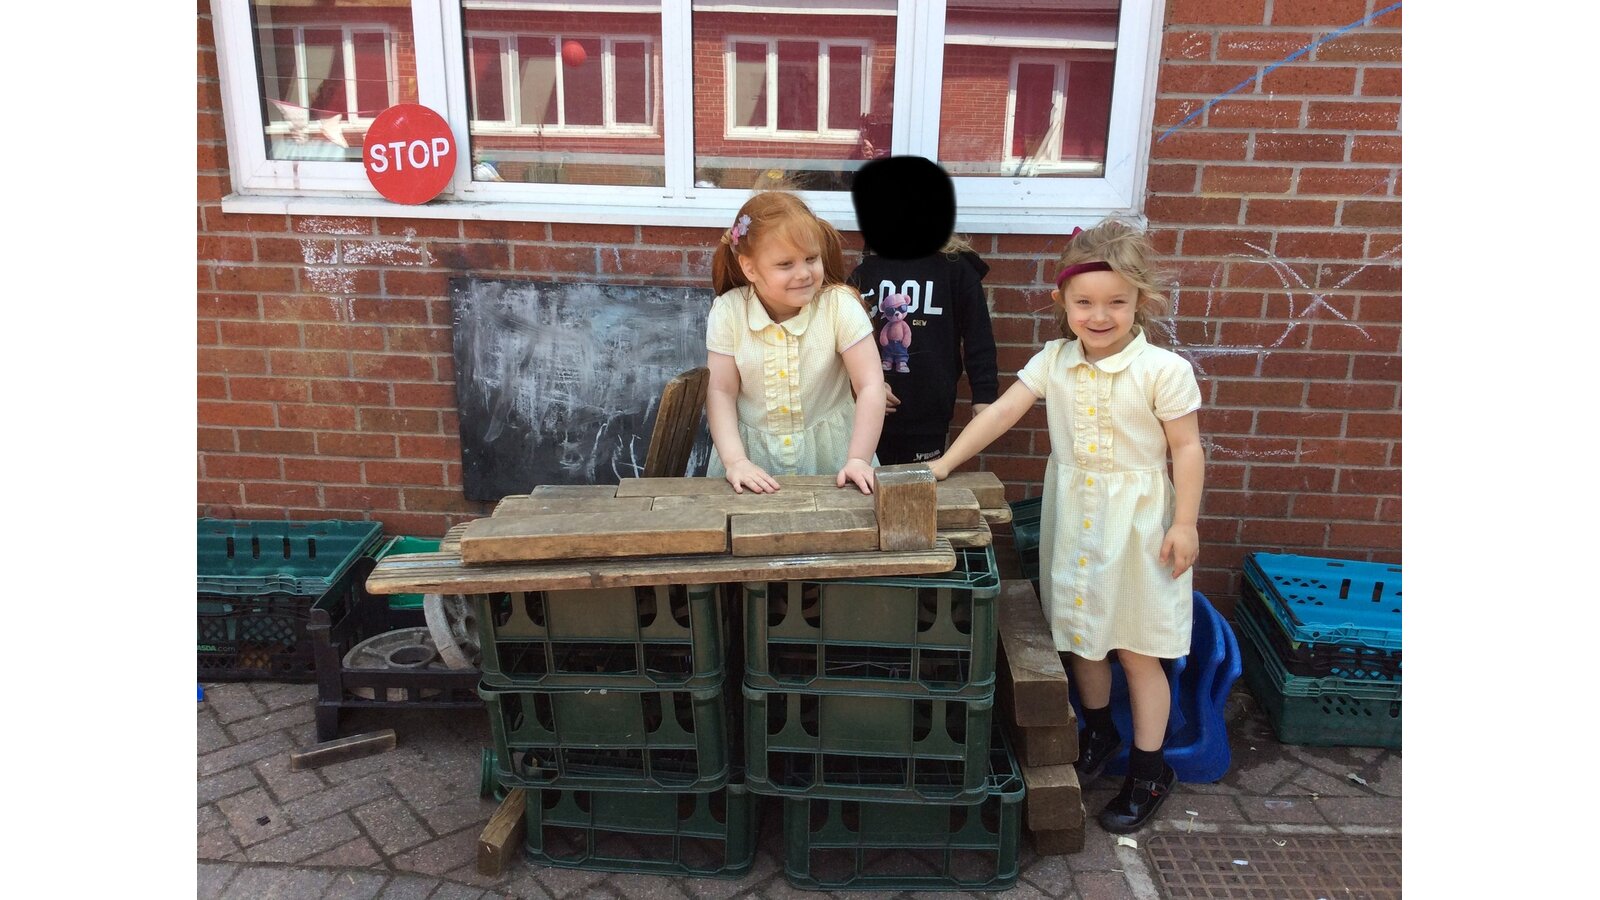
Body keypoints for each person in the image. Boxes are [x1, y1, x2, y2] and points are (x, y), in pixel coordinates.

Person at [927, 220, 1204, 834]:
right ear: (1062, 301)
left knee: (1136, 648)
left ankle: (1150, 769)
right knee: (1082, 637)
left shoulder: (1162, 370)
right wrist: (944, 464)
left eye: (1116, 302)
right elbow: (1003, 411)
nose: (1099, 316)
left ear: (1140, 301)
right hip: (1076, 520)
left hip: (1139, 530)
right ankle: (1099, 730)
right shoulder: (1054, 360)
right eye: (1085, 303)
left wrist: (1185, 523)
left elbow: (1186, 448)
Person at [705, 189, 888, 495]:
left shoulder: (839, 305)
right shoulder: (729, 312)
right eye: (785, 264)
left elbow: (870, 384)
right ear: (750, 268)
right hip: (752, 467)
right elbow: (721, 391)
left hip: (837, 465)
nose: (803, 273)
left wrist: (859, 458)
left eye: (811, 258)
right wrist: (735, 461)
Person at [849, 236, 999, 464]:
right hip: (871, 415)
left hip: (928, 415)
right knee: (866, 483)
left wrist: (984, 397)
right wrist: (860, 388)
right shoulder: (866, 272)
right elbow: (844, 343)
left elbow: (979, 338)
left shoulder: (956, 269)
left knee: (918, 485)